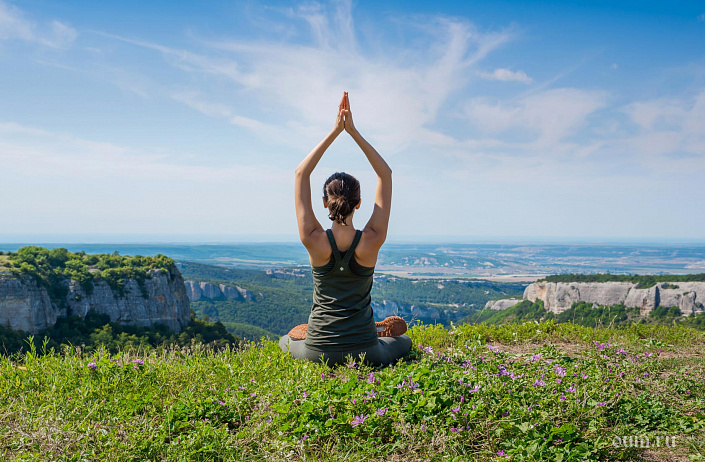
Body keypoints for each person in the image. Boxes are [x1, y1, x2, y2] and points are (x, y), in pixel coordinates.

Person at [279, 92, 412, 367]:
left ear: (325, 202)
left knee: (286, 341)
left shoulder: (313, 239)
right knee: (404, 342)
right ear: (360, 204)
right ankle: (374, 329)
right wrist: (353, 131)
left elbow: (300, 174)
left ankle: (304, 333)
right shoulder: (372, 240)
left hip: (318, 351)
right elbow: (385, 174)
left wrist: (335, 131)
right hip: (366, 351)